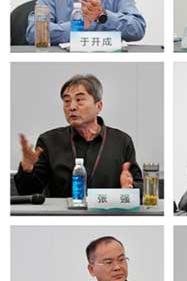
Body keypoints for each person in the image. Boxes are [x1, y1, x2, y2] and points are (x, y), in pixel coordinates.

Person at [14, 74, 142, 197]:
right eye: (67, 101)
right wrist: (27, 169)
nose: (72, 107)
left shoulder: (121, 141)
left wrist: (130, 188)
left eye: (79, 100)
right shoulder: (49, 141)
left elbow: (140, 187)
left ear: (98, 106)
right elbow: (28, 192)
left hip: (107, 211)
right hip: (61, 212)